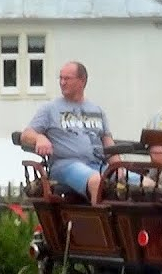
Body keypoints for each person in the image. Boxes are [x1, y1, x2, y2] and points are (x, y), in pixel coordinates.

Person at [21, 61, 152, 205]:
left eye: (67, 78)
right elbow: (26, 135)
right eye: (61, 78)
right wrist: (39, 138)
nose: (62, 83)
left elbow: (108, 143)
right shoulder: (50, 109)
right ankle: (100, 219)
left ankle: (134, 220)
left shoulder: (97, 110)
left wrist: (118, 167)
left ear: (82, 81)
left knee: (147, 184)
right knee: (97, 181)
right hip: (66, 165)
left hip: (98, 165)